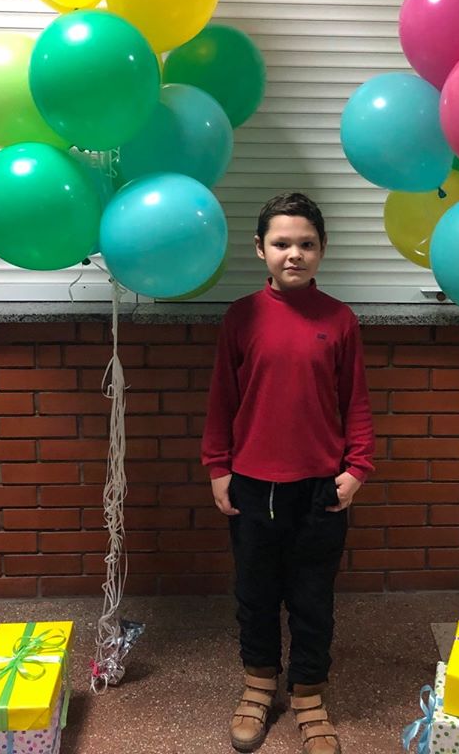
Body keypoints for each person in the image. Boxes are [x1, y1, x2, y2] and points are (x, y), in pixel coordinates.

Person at [201, 192, 375, 754]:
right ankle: (258, 685)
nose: (293, 254)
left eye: (306, 244)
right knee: (255, 594)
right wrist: (218, 467)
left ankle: (308, 694)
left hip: (321, 489)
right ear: (260, 249)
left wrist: (358, 467)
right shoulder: (242, 317)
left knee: (311, 598)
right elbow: (222, 400)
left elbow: (355, 402)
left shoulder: (340, 320)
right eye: (281, 243)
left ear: (322, 250)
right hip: (251, 485)